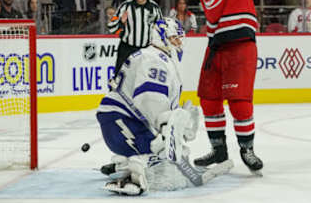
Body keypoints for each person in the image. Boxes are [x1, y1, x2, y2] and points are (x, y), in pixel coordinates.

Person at [171, 0, 262, 173]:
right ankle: (219, 150)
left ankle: (247, 150)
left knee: (239, 102)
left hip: (240, 45)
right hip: (216, 46)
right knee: (209, 99)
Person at [97, 18, 232, 195]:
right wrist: (170, 128)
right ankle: (133, 174)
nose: (178, 42)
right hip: (120, 121)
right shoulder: (154, 59)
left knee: (163, 155)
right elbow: (150, 100)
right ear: (161, 36)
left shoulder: (155, 56)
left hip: (125, 122)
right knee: (163, 167)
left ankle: (124, 163)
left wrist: (177, 126)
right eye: (174, 37)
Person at [107, 0, 162, 75]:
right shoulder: (125, 6)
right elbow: (111, 27)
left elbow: (161, 29)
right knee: (118, 80)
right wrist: (121, 22)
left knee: (144, 78)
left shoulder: (154, 8)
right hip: (126, 49)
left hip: (146, 50)